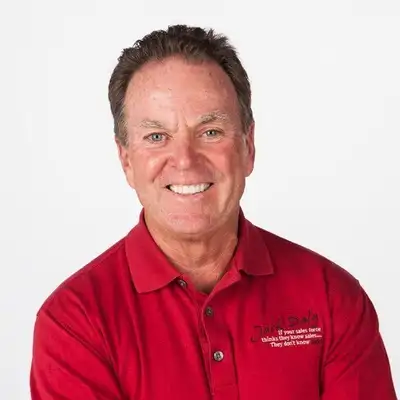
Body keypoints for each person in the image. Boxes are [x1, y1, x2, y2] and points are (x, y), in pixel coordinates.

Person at [30, 24, 397, 399]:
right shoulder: (74, 322)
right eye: (157, 137)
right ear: (126, 160)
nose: (185, 160)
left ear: (248, 146)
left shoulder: (333, 299)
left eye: (210, 132)